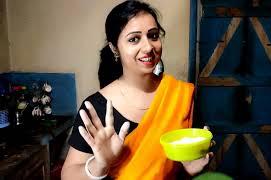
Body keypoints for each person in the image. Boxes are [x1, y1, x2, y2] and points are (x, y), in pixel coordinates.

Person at [61, 1, 213, 179]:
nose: (148, 47)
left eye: (153, 36)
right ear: (114, 48)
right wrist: (100, 164)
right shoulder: (96, 107)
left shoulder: (181, 95)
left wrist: (189, 171)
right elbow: (68, 175)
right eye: (134, 39)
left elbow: (177, 168)